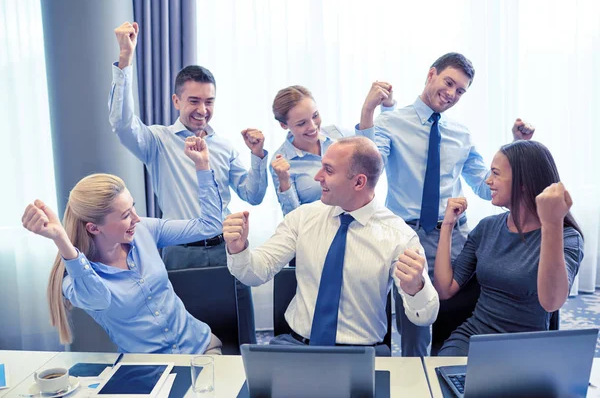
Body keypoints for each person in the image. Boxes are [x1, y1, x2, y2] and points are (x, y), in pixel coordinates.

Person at [357, 52, 536, 356]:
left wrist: (520, 146)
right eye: (448, 82)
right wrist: (368, 111)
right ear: (431, 74)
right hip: (406, 235)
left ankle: (451, 375)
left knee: (460, 312)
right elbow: (367, 168)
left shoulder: (461, 134)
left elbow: (484, 185)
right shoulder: (391, 122)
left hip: (452, 236)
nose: (452, 94)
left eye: (461, 90)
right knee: (414, 324)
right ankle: (415, 378)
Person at [109, 21, 267, 344]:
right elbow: (122, 123)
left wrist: (258, 156)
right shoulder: (158, 141)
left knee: (240, 337)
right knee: (188, 341)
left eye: (209, 101)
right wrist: (125, 59)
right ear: (176, 101)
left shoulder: (223, 145)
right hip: (181, 254)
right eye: (194, 101)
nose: (203, 110)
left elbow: (253, 194)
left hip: (227, 250)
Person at [224, 136, 440, 357]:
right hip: (297, 349)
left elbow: (425, 316)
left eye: (328, 170)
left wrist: (417, 288)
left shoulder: (399, 236)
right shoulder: (303, 217)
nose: (317, 177)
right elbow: (254, 274)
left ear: (359, 182)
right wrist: (238, 249)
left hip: (361, 356)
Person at [21, 137, 226, 354]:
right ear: (93, 228)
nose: (137, 219)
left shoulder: (144, 230)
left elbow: (210, 226)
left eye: (133, 208)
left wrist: (202, 166)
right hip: (150, 373)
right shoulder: (75, 280)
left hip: (200, 348)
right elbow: (98, 298)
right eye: (126, 215)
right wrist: (60, 239)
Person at [433, 140, 584, 356]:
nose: (488, 181)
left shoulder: (567, 237)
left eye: (495, 173)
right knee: (442, 381)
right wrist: (447, 225)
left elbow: (551, 303)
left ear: (523, 182)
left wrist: (552, 223)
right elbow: (444, 289)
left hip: (526, 348)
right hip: (474, 338)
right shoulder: (487, 227)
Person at [270, 85, 394, 216]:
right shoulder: (281, 163)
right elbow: (292, 219)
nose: (312, 127)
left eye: (315, 116)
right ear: (284, 125)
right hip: (319, 232)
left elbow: (371, 161)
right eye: (301, 123)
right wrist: (284, 182)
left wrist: (376, 109)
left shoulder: (337, 135)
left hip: (360, 223)